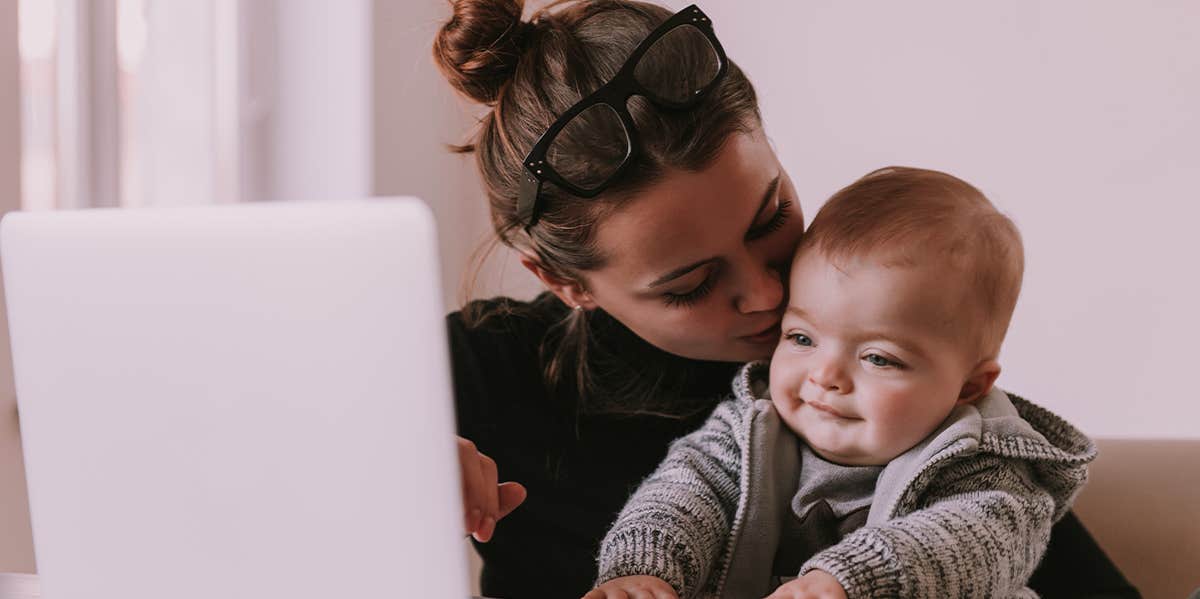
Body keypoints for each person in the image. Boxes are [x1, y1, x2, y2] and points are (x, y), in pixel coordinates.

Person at [431, 1, 1138, 597]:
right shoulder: (476, 369)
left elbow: (1011, 528)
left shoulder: (869, 354)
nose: (769, 293)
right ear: (565, 282)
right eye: (692, 285)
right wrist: (382, 462)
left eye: (771, 217)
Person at [587, 167, 1095, 599]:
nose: (825, 376)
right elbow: (684, 492)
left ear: (969, 387)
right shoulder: (747, 431)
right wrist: (643, 569)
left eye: (878, 357)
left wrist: (851, 579)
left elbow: (978, 538)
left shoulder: (985, 468)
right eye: (802, 337)